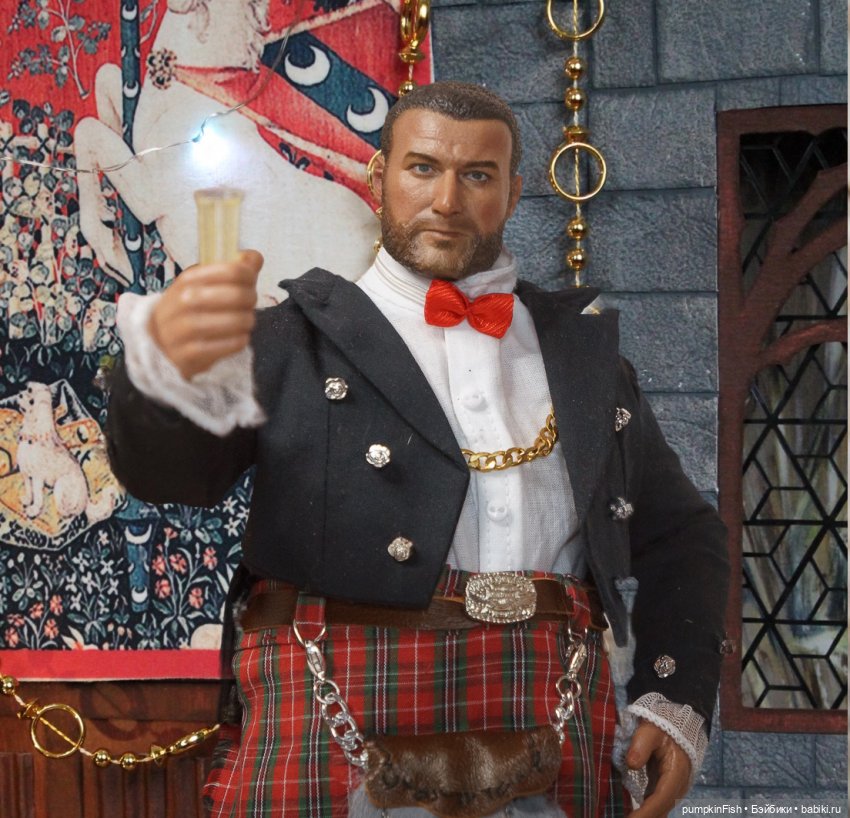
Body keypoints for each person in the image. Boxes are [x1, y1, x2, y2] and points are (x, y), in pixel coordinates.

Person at [105, 81, 729, 818]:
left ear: (513, 192)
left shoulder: (585, 356)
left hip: (552, 712)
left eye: (478, 175)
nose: (447, 200)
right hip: (335, 704)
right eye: (423, 168)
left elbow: (683, 536)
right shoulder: (287, 341)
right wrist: (160, 377)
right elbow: (172, 476)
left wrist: (675, 700)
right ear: (378, 179)